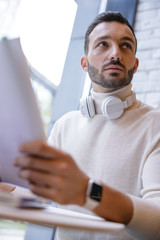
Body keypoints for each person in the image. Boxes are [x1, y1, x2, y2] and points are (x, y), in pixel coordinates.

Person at [14, 11, 160, 240]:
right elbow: (37, 200)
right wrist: (9, 192)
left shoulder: (155, 126)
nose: (115, 54)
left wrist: (87, 192)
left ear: (136, 64)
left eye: (126, 46)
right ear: (84, 63)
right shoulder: (64, 126)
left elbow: (157, 223)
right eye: (103, 44)